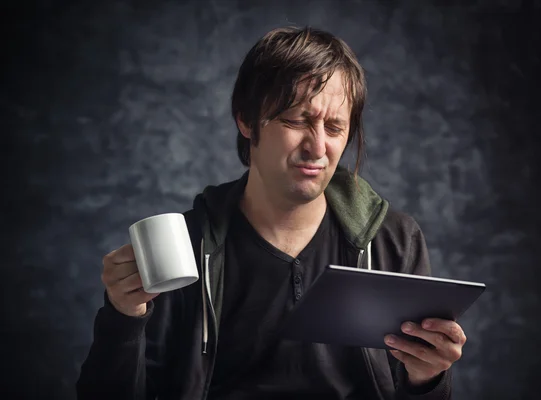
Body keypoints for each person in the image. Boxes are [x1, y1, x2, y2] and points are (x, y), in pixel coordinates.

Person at [76, 26, 466, 400]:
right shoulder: (187, 246)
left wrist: (429, 378)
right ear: (246, 120)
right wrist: (123, 316)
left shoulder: (393, 239)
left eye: (334, 127)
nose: (317, 147)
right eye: (297, 120)